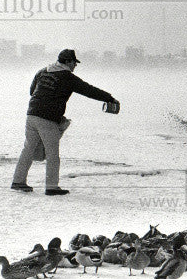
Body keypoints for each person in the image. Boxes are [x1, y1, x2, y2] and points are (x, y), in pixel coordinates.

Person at [11, 48, 118, 196]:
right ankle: (52, 187)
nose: (75, 66)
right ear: (68, 62)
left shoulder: (43, 71)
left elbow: (32, 91)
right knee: (52, 154)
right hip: (47, 119)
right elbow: (88, 90)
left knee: (28, 149)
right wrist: (109, 98)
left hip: (31, 115)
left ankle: (18, 181)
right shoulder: (67, 77)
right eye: (74, 63)